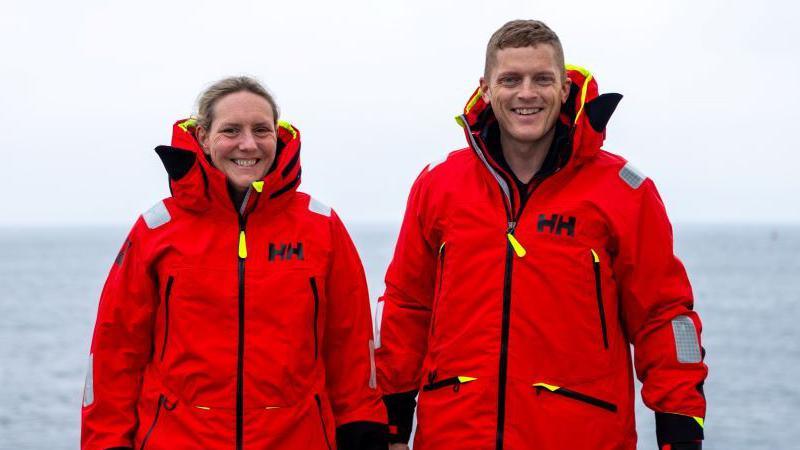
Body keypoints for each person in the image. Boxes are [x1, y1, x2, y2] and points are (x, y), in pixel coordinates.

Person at [375, 20, 707, 450]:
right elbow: (405, 309)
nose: (526, 93)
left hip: (582, 437)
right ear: (486, 88)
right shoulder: (438, 184)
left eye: (542, 79)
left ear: (565, 89)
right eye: (510, 79)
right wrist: (391, 423)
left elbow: (665, 319)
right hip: (453, 435)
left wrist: (680, 431)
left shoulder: (625, 191)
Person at [81, 76, 387, 450]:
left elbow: (351, 350)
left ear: (278, 135)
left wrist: (363, 431)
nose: (248, 144)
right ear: (204, 138)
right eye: (231, 130)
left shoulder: (321, 227)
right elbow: (116, 352)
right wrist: (106, 442)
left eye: (261, 130)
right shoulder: (157, 229)